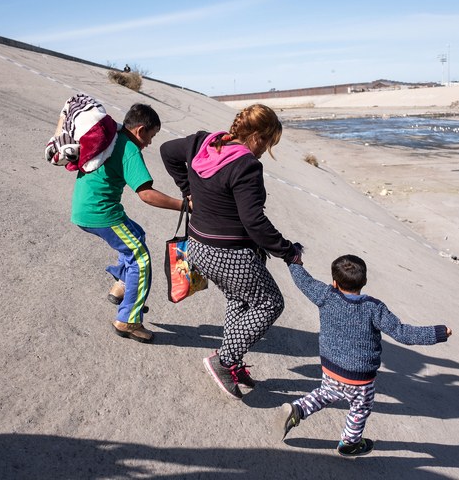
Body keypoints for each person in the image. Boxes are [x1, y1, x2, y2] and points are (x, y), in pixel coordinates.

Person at [160, 104, 303, 400]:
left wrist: (189, 190)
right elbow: (255, 222)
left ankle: (233, 360)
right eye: (269, 143)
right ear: (258, 136)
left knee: (238, 298)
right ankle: (224, 361)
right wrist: (288, 251)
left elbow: (166, 151)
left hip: (197, 249)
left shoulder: (203, 142)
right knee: (269, 303)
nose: (266, 151)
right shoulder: (247, 166)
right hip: (229, 255)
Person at [280, 254, 452, 457]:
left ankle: (298, 409)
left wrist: (293, 259)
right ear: (365, 281)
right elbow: (403, 333)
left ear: (334, 282)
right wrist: (438, 333)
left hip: (331, 368)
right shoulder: (374, 308)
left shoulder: (326, 294)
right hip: (360, 379)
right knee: (360, 408)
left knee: (326, 393)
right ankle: (349, 443)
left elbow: (304, 282)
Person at [70, 102, 183, 343]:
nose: (150, 142)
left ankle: (121, 286)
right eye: (151, 136)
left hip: (84, 208)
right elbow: (146, 194)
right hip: (101, 213)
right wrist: (184, 205)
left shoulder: (113, 136)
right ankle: (128, 320)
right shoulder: (130, 148)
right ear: (141, 130)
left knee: (136, 234)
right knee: (141, 260)